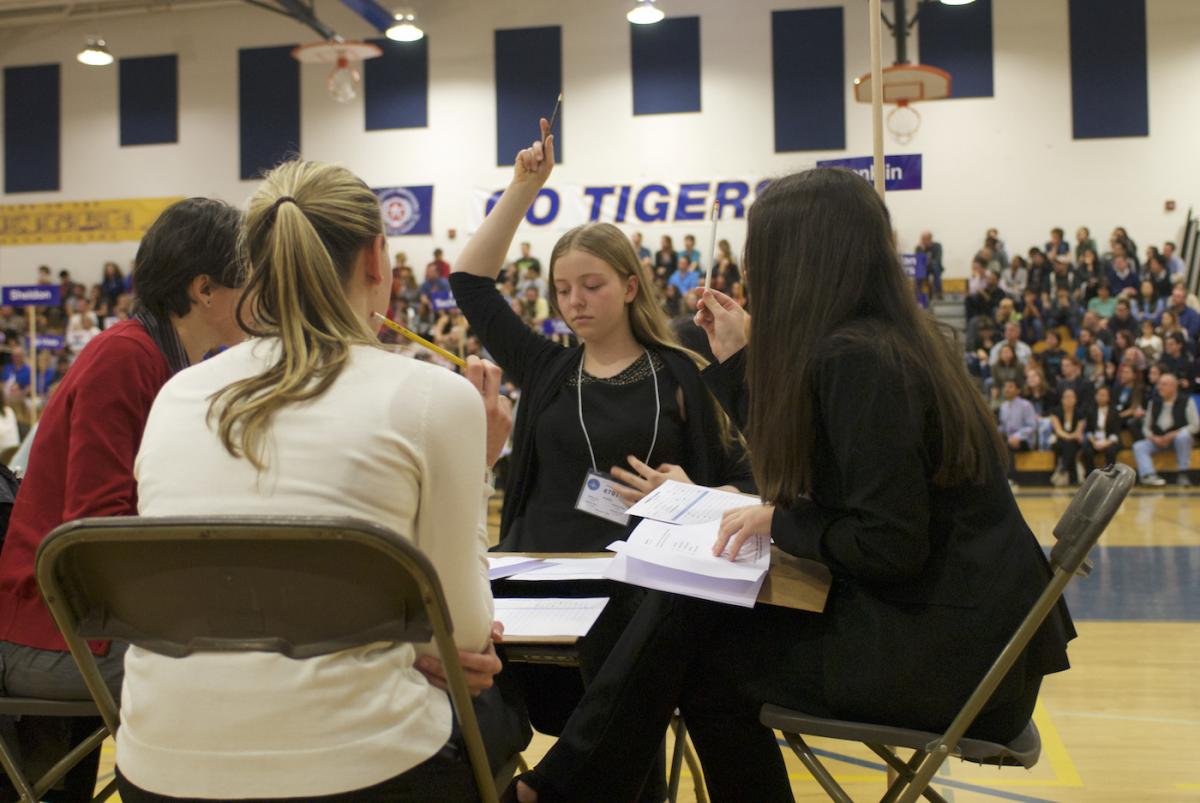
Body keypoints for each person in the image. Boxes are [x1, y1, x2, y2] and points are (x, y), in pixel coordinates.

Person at [514, 168, 1074, 803]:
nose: (751, 269)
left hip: (947, 659)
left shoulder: (859, 361)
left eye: (760, 252)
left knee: (693, 646)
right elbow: (818, 472)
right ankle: (563, 787)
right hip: (956, 634)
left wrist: (779, 522)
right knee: (682, 611)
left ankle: (558, 789)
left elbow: (887, 546)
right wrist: (740, 368)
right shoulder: (879, 342)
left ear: (799, 258)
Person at [112, 161, 529, 802]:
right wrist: (476, 467)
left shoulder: (176, 396)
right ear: (376, 257)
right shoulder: (436, 399)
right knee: (505, 718)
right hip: (358, 774)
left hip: (155, 768)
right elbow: (464, 638)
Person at [449, 121, 751, 801]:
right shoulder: (547, 365)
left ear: (631, 286)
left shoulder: (682, 371)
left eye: (591, 285)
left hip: (634, 595)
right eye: (562, 289)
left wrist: (692, 490)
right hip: (533, 587)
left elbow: (752, 485)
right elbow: (470, 281)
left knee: (630, 710)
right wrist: (524, 188)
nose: (575, 302)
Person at [0, 198, 246, 801]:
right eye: (252, 275)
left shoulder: (158, 358)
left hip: (78, 619)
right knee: (242, 667)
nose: (261, 290)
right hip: (46, 628)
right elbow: (97, 533)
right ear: (205, 289)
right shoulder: (126, 357)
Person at [1132, 371, 1198, 487]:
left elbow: (1195, 425)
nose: (1159, 387)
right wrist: (1153, 437)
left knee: (1184, 436)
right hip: (1159, 440)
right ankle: (1149, 476)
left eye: (1164, 384)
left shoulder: (1186, 401)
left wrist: (1173, 434)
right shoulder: (1153, 402)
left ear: (1173, 386)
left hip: (1179, 440)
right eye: (1159, 384)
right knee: (1139, 446)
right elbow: (1146, 428)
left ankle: (1183, 473)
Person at [1050, 388, 1085, 486]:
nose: (1069, 399)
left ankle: (1062, 468)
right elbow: (1058, 431)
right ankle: (1072, 476)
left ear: (1076, 399)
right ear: (1062, 399)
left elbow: (1079, 432)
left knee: (1070, 445)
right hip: (1060, 440)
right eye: (1066, 397)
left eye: (1071, 397)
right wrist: (1070, 436)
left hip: (1074, 442)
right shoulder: (1055, 411)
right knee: (1068, 445)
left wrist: (1071, 437)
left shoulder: (1080, 413)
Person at [1084, 385, 1122, 470]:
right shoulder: (1090, 410)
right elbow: (1088, 430)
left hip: (1110, 440)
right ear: (1095, 396)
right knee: (1087, 450)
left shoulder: (1114, 411)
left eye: (1104, 395)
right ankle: (1090, 475)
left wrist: (1106, 443)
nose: (1101, 397)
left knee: (1110, 450)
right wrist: (1094, 442)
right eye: (1099, 395)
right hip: (1095, 440)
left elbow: (1116, 433)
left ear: (1108, 397)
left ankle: (1110, 474)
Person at [915, 230, 944, 299]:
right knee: (919, 270)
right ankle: (918, 293)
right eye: (922, 239)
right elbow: (919, 260)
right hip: (924, 268)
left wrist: (928, 262)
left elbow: (938, 258)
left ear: (930, 239)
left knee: (935, 266)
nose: (923, 241)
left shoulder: (937, 246)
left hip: (934, 266)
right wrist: (922, 249)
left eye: (924, 239)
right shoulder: (919, 248)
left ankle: (938, 292)